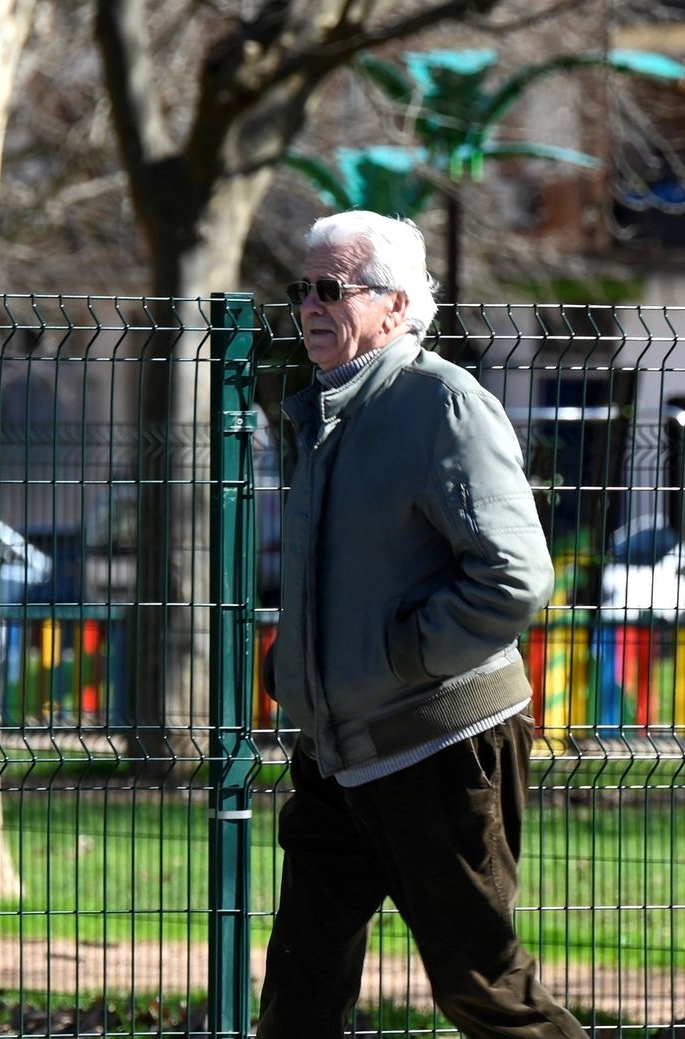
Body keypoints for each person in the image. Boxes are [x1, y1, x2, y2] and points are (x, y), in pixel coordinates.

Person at [257, 210, 583, 1039]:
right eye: (303, 289)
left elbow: (515, 576)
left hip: (439, 746)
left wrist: (397, 656)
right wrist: (304, 664)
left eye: (331, 288)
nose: (310, 306)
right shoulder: (328, 412)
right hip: (338, 753)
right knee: (298, 997)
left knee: (484, 989)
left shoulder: (442, 403)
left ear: (395, 304)